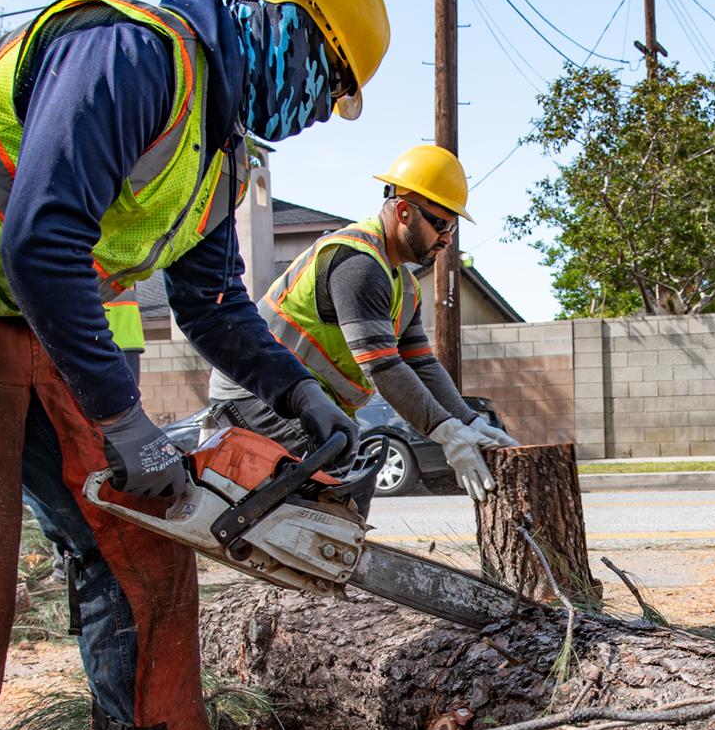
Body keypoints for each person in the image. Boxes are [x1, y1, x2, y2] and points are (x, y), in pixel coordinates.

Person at [0, 0, 391, 730]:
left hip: (17, 300)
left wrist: (298, 391)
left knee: (141, 540)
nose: (319, 111)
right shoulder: (136, 53)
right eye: (326, 80)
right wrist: (125, 422)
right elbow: (43, 238)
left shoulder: (216, 152)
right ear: (281, 19)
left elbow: (214, 302)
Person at [207, 144, 518, 508]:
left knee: (349, 487)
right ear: (404, 210)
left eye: (452, 226)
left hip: (297, 398)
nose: (447, 238)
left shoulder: (404, 285)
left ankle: (331, 559)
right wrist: (446, 433)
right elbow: (381, 365)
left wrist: (467, 420)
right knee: (332, 491)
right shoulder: (358, 264)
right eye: (441, 223)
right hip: (257, 393)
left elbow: (421, 364)